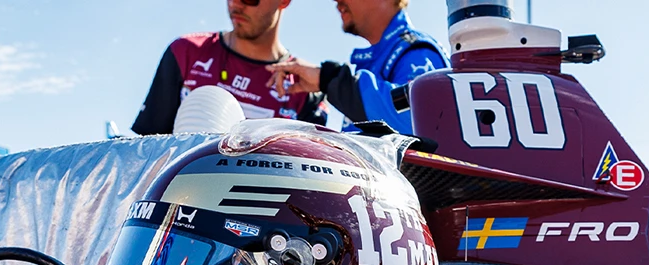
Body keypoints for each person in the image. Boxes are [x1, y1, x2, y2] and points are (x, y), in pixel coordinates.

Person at [132, 0, 326, 135]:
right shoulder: (186, 52)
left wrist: (327, 82)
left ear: (284, 1)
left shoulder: (305, 86)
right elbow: (148, 148)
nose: (235, 5)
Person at [268, 0, 448, 135]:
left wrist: (330, 80)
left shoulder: (418, 52)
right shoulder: (381, 58)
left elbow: (414, 121)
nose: (336, 1)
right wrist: (326, 80)